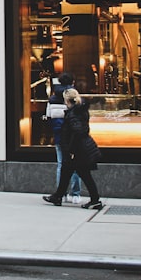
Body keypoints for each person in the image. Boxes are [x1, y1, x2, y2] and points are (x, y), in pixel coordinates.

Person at [42, 88, 103, 210]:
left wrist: (71, 150)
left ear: (67, 100)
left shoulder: (74, 114)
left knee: (84, 174)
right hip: (79, 148)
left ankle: (95, 200)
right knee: (66, 171)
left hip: (77, 150)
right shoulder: (79, 111)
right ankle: (58, 196)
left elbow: (78, 131)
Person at [47, 72, 81, 203]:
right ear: (72, 82)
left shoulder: (52, 100)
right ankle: (75, 194)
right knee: (75, 165)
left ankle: (62, 193)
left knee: (61, 165)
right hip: (73, 138)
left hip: (59, 137)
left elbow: (48, 118)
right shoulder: (74, 97)